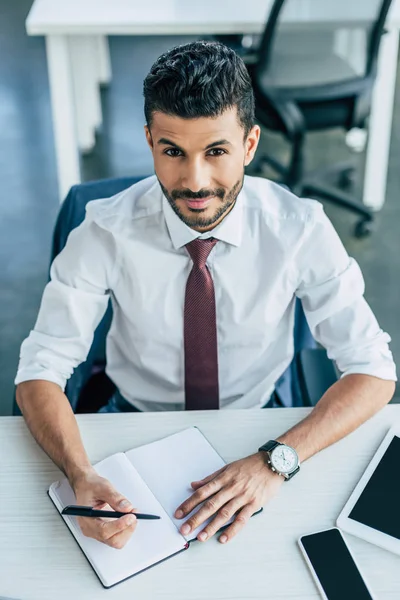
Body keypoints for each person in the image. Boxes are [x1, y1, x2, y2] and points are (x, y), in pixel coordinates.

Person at [16, 41, 396, 551]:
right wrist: (80, 475)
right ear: (150, 141)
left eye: (216, 151)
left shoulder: (299, 228)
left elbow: (374, 370)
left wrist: (273, 462)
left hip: (259, 416)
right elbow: (39, 370)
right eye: (173, 151)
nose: (195, 182)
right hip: (134, 417)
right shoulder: (104, 229)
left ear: (250, 144)